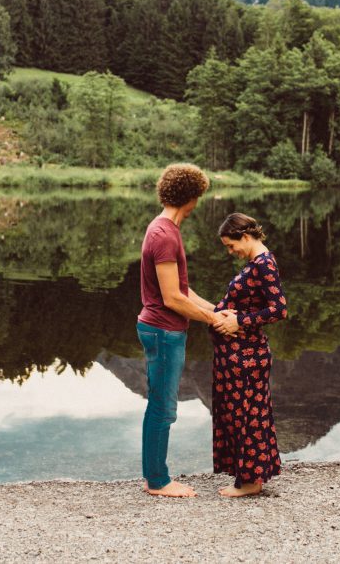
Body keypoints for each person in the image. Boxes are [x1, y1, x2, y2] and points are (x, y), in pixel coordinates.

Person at [137, 163, 234, 498]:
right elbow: (172, 299)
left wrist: (216, 310)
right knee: (163, 407)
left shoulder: (166, 230)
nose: (198, 203)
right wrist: (214, 321)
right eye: (199, 197)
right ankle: (157, 481)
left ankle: (156, 476)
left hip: (164, 330)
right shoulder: (164, 235)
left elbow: (184, 289)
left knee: (161, 404)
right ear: (190, 196)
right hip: (163, 331)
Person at [209, 212, 287, 497]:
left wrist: (238, 321)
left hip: (248, 356)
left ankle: (252, 482)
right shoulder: (256, 263)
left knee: (249, 415)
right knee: (242, 414)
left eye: (232, 245)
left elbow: (279, 309)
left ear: (245, 236)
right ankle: (248, 476)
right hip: (239, 356)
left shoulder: (264, 264)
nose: (231, 252)